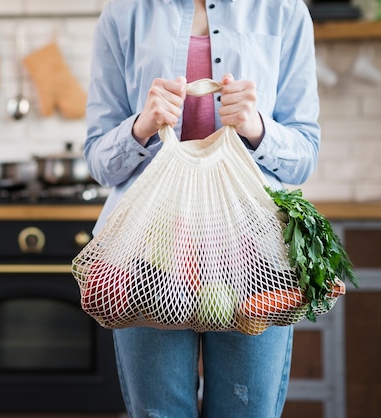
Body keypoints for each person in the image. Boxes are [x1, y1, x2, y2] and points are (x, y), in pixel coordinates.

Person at [84, 0, 320, 417]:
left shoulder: (283, 10)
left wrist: (256, 126)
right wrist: (142, 125)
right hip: (144, 259)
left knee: (245, 410)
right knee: (160, 412)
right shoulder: (123, 13)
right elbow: (100, 162)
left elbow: (304, 156)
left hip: (254, 258)